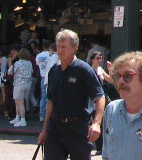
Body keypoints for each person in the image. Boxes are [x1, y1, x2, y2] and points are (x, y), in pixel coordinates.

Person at [38, 29, 105, 160]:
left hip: (78, 127)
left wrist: (96, 123)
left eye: (64, 47)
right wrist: (44, 129)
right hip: (55, 127)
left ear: (75, 48)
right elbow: (50, 102)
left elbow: (99, 96)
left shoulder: (83, 69)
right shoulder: (53, 71)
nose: (60, 50)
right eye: (58, 47)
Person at [9, 47, 34, 127]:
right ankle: (17, 117)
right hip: (28, 83)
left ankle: (22, 120)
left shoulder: (17, 63)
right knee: (19, 101)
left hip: (19, 84)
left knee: (19, 102)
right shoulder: (29, 63)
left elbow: (10, 72)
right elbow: (32, 72)